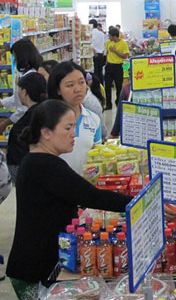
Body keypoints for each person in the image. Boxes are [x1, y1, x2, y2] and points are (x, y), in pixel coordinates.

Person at [7, 100, 132, 299]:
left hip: (37, 263)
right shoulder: (46, 165)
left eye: (74, 127)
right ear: (46, 132)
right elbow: (92, 197)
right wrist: (138, 202)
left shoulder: (36, 160)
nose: (74, 134)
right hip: (33, 270)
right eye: (68, 128)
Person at [48, 61, 102, 175]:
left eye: (81, 82)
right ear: (58, 90)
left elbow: (97, 156)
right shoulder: (48, 120)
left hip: (84, 183)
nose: (78, 89)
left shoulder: (93, 119)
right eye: (70, 85)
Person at [6, 73, 48, 183]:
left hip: (24, 168)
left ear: (24, 92)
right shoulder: (40, 110)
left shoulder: (33, 115)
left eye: (19, 90)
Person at [0, 39, 43, 132]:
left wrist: (5, 123)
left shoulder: (31, 77)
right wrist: (2, 103)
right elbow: (17, 97)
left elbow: (23, 109)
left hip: (27, 124)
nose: (15, 60)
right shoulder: (27, 73)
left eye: (15, 56)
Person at [103, 27, 129, 110]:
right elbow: (107, 52)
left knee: (118, 86)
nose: (109, 37)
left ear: (114, 36)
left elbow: (125, 56)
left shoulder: (123, 44)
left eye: (110, 36)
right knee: (107, 86)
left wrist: (115, 51)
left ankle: (118, 102)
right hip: (109, 66)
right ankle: (108, 104)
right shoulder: (109, 42)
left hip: (118, 67)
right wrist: (106, 62)